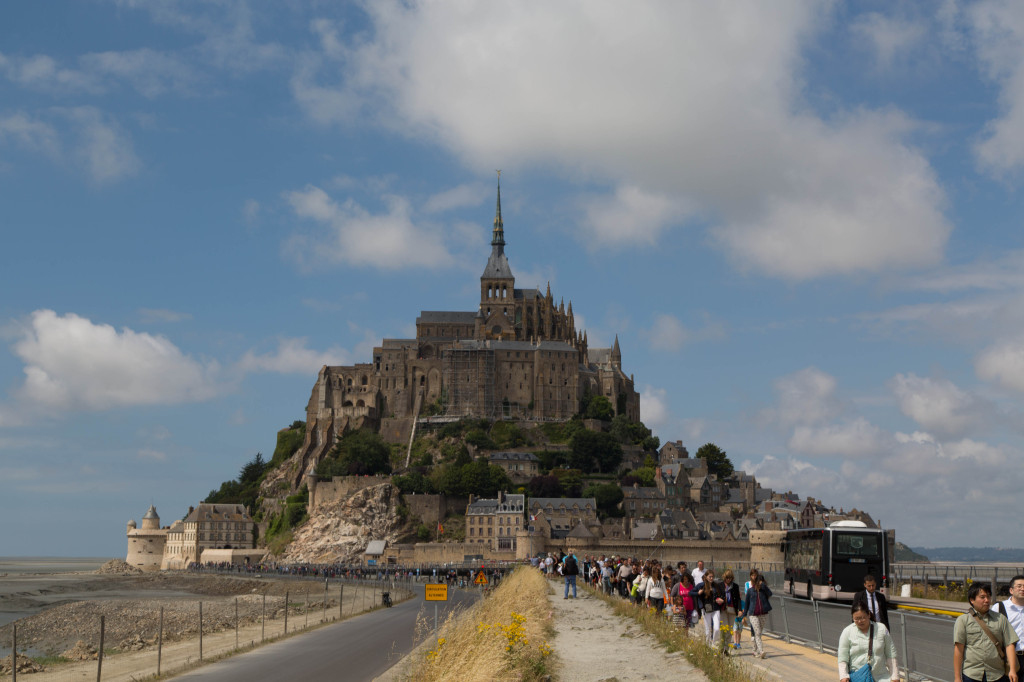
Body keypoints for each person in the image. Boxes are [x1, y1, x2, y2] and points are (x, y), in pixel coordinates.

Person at [954, 583, 1019, 682]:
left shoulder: (1000, 618)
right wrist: (957, 678)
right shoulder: (963, 620)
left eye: (988, 596)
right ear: (972, 600)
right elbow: (959, 649)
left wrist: (1012, 670)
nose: (987, 600)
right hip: (971, 674)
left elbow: (1010, 644)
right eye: (982, 597)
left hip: (997, 674)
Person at [839, 601, 899, 682]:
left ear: (869, 615)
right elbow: (843, 657)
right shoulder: (847, 631)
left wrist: (895, 676)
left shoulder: (881, 628)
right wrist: (844, 676)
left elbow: (891, 653)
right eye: (856, 619)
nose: (860, 621)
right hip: (859, 677)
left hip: (882, 677)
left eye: (863, 617)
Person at [996, 575, 1024, 675]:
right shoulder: (999, 608)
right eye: (1019, 586)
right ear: (1011, 590)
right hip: (1008, 658)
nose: (1022, 589)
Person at [742, 572, 772, 659]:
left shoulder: (764, 590)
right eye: (759, 581)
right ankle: (761, 651)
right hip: (753, 614)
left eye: (761, 581)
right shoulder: (750, 591)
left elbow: (770, 594)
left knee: (758, 633)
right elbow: (747, 604)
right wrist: (744, 616)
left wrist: (764, 586)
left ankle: (754, 651)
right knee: (758, 633)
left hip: (763, 614)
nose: (760, 582)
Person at [692, 568, 724, 646]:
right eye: (710, 576)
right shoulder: (701, 585)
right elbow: (691, 592)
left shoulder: (716, 585)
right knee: (708, 629)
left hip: (716, 608)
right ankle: (708, 645)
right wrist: (698, 593)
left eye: (712, 576)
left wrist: (722, 599)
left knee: (716, 628)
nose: (711, 578)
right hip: (706, 609)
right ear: (706, 577)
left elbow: (722, 594)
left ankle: (714, 643)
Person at [720, 569, 741, 649]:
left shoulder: (735, 586)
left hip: (732, 609)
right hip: (723, 609)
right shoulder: (720, 585)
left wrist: (739, 610)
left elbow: (738, 599)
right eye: (727, 578)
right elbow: (716, 596)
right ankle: (722, 647)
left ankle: (726, 649)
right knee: (724, 629)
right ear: (724, 577)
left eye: (730, 578)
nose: (728, 580)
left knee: (729, 630)